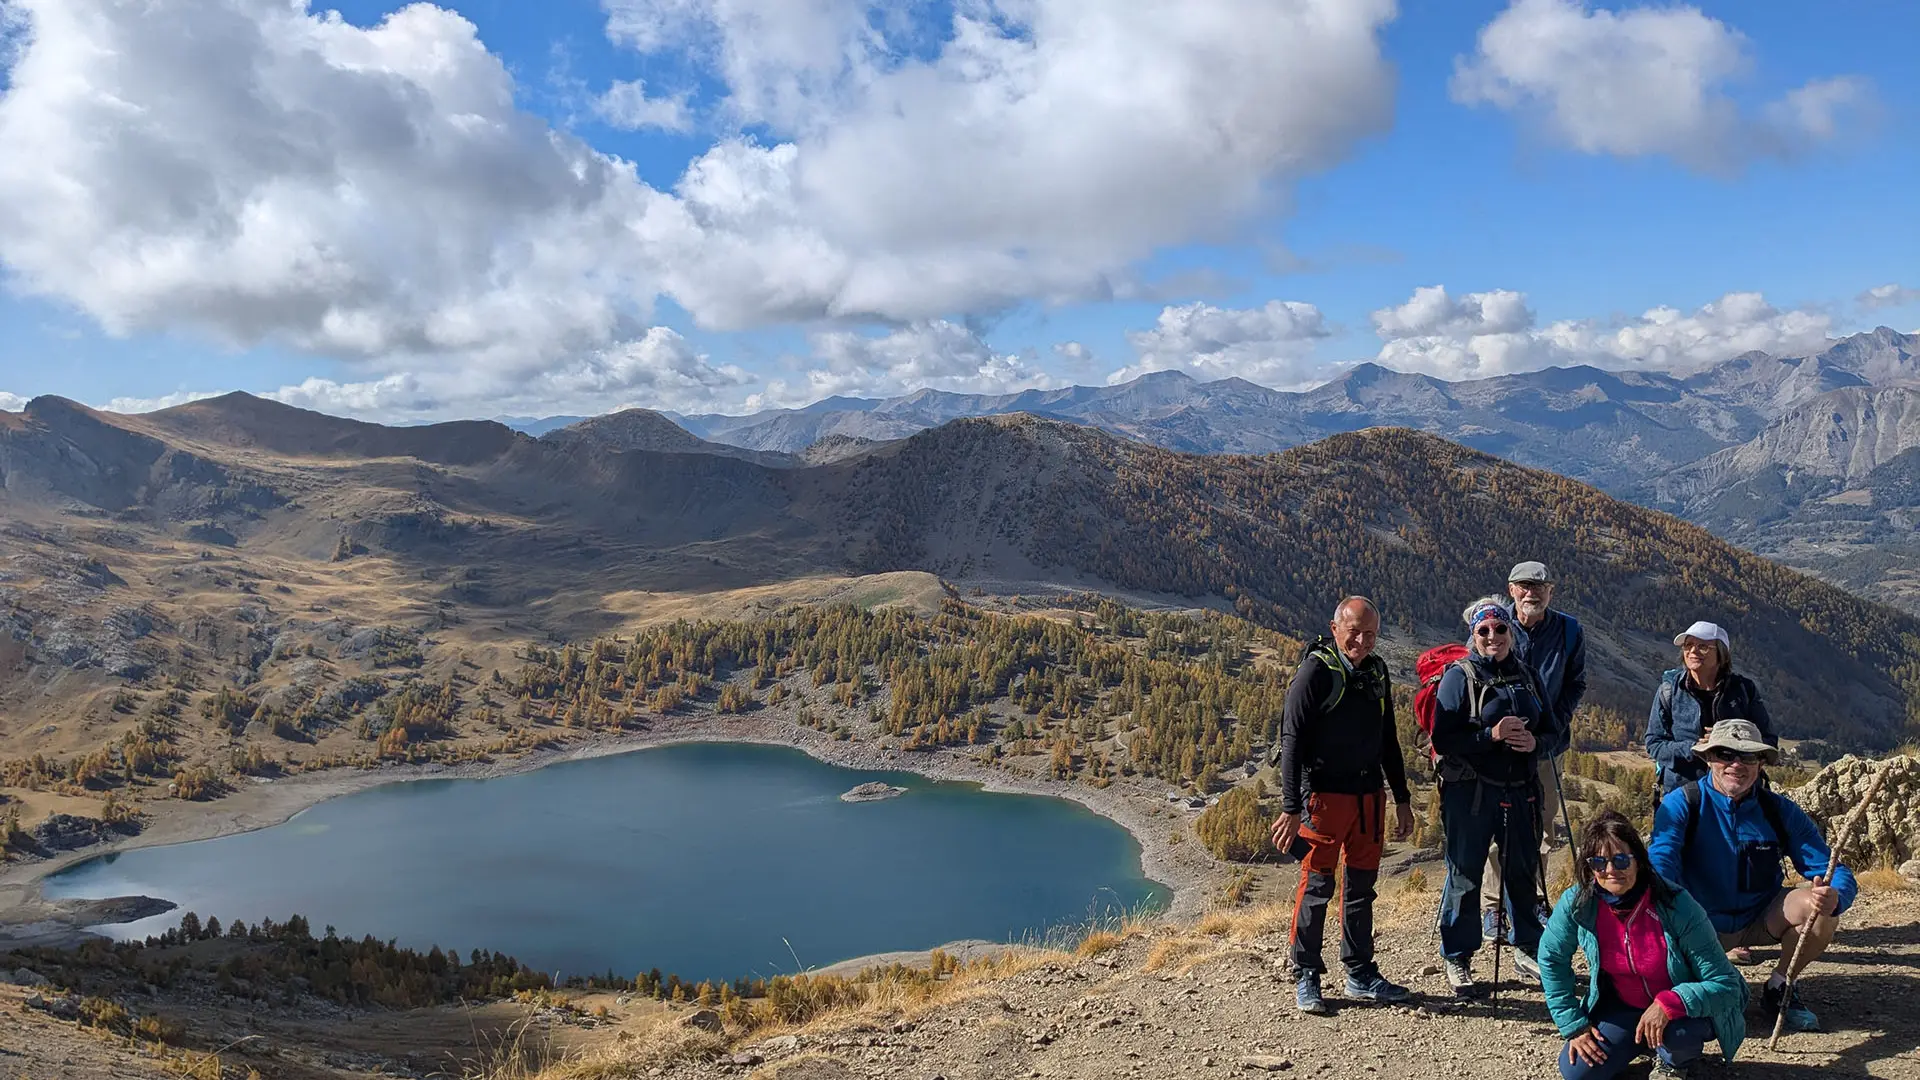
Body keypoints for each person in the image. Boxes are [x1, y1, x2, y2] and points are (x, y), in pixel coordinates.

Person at [1648, 719, 1857, 1033]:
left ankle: (1780, 987)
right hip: (1699, 925)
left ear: (1761, 762)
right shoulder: (1682, 804)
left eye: (1746, 756)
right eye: (1724, 754)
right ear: (1708, 758)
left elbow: (1832, 869)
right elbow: (1660, 863)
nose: (1736, 764)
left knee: (1820, 911)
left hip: (1760, 918)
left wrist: (1835, 896)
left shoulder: (1779, 811)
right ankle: (1699, 986)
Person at [1270, 597, 1417, 1014]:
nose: (1362, 640)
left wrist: (1402, 798)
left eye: (1371, 633)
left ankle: (1360, 973)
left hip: (1369, 799)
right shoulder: (1315, 671)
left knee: (1361, 889)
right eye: (1354, 631)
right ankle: (1306, 974)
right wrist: (1290, 807)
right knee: (1317, 886)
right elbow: (1292, 741)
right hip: (1323, 799)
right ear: (1334, 628)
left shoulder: (1377, 670)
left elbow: (1388, 737)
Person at [1539, 811, 1746, 1079]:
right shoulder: (1579, 902)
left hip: (1682, 1013)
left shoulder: (1676, 904)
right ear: (1590, 867)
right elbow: (1551, 957)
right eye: (1599, 862)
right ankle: (1641, 1041)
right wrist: (1574, 1025)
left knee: (1679, 1035)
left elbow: (1726, 984)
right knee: (1578, 1072)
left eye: (1621, 860)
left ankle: (1673, 1063)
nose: (1611, 870)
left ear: (1638, 860)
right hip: (1623, 1007)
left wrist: (1670, 1002)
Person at [1431, 596, 1550, 996]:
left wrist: (1536, 741)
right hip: (1471, 792)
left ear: (1511, 632)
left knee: (1521, 869)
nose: (1493, 636)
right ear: (1473, 635)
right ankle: (1458, 956)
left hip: (1522, 790)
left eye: (1500, 629)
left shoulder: (1529, 676)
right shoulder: (1458, 677)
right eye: (1484, 630)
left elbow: (1553, 729)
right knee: (1465, 874)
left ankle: (1527, 946)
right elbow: (1443, 738)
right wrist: (1492, 736)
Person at [1485, 560, 1586, 941]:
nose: (1532, 593)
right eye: (1524, 586)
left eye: (1540, 586)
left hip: (1545, 747)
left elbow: (1576, 684)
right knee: (1500, 826)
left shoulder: (1570, 631)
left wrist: (1550, 725)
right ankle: (1494, 907)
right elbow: (1474, 674)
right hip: (1499, 746)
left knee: (1541, 826)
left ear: (1551, 591)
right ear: (1511, 590)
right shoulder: (1494, 624)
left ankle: (1530, 899)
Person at [1644, 621, 1775, 796]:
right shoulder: (1669, 692)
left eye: (1703, 647)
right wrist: (1694, 748)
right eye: (1688, 645)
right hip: (1685, 794)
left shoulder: (1743, 690)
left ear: (1722, 654)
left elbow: (1768, 740)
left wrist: (1730, 739)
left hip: (1738, 794)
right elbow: (1655, 744)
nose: (1693, 651)